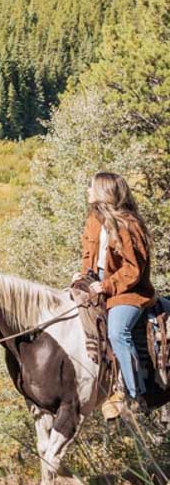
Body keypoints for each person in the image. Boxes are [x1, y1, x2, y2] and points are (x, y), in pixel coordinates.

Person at [75, 171, 155, 417]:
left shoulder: (128, 224)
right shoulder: (93, 219)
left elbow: (134, 269)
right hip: (97, 283)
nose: (88, 191)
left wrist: (107, 285)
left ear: (104, 192)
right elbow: (88, 256)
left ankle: (134, 395)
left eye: (91, 187)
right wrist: (82, 276)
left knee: (117, 332)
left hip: (127, 291)